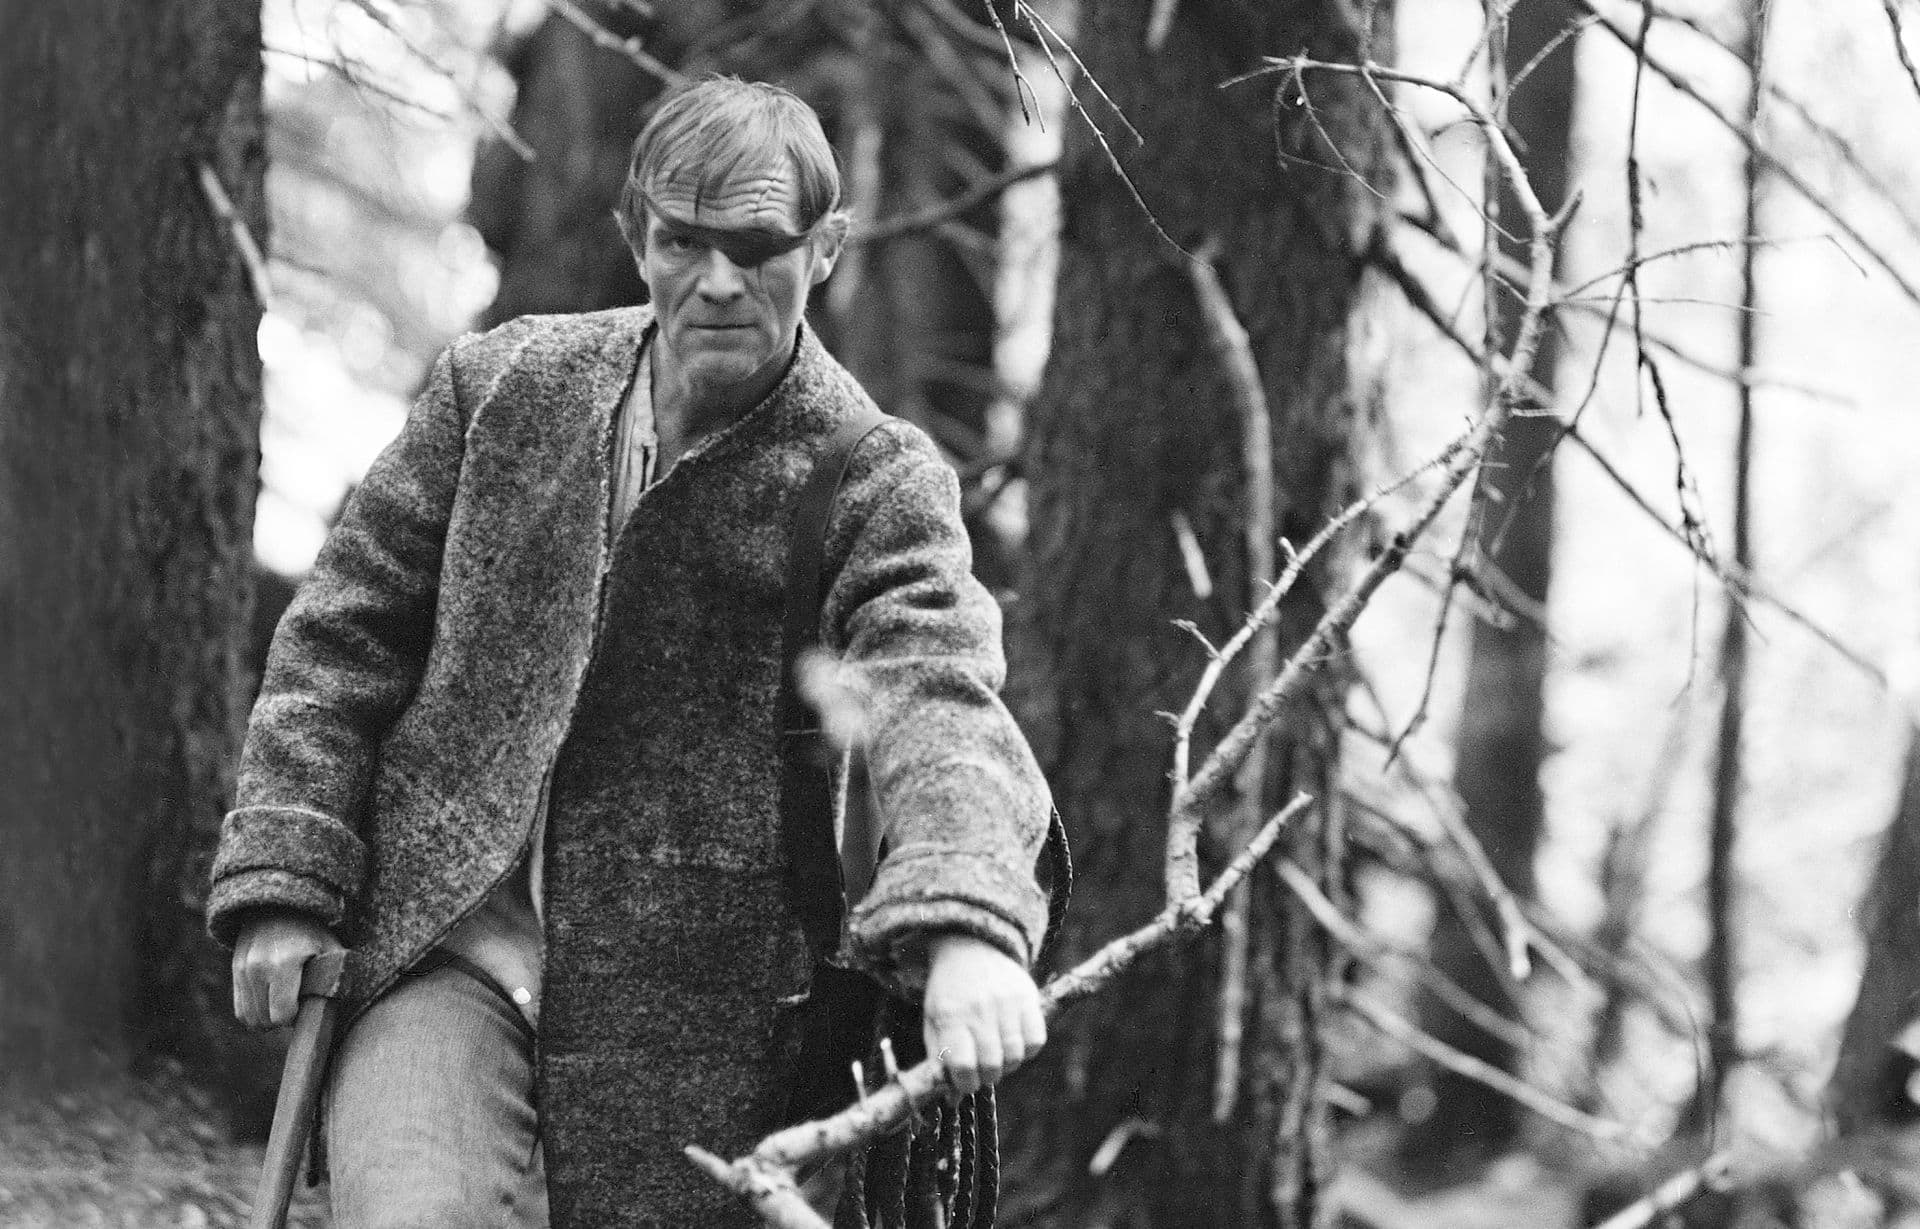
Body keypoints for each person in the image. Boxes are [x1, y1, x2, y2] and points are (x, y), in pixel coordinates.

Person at [209, 75, 1053, 1228]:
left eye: (756, 246)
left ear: (825, 249)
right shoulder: (500, 387)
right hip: (444, 946)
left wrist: (966, 923)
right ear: (636, 234)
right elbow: (340, 635)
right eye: (682, 240)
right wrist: (287, 874)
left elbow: (935, 688)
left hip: (702, 1016)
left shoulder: (875, 479)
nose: (717, 280)